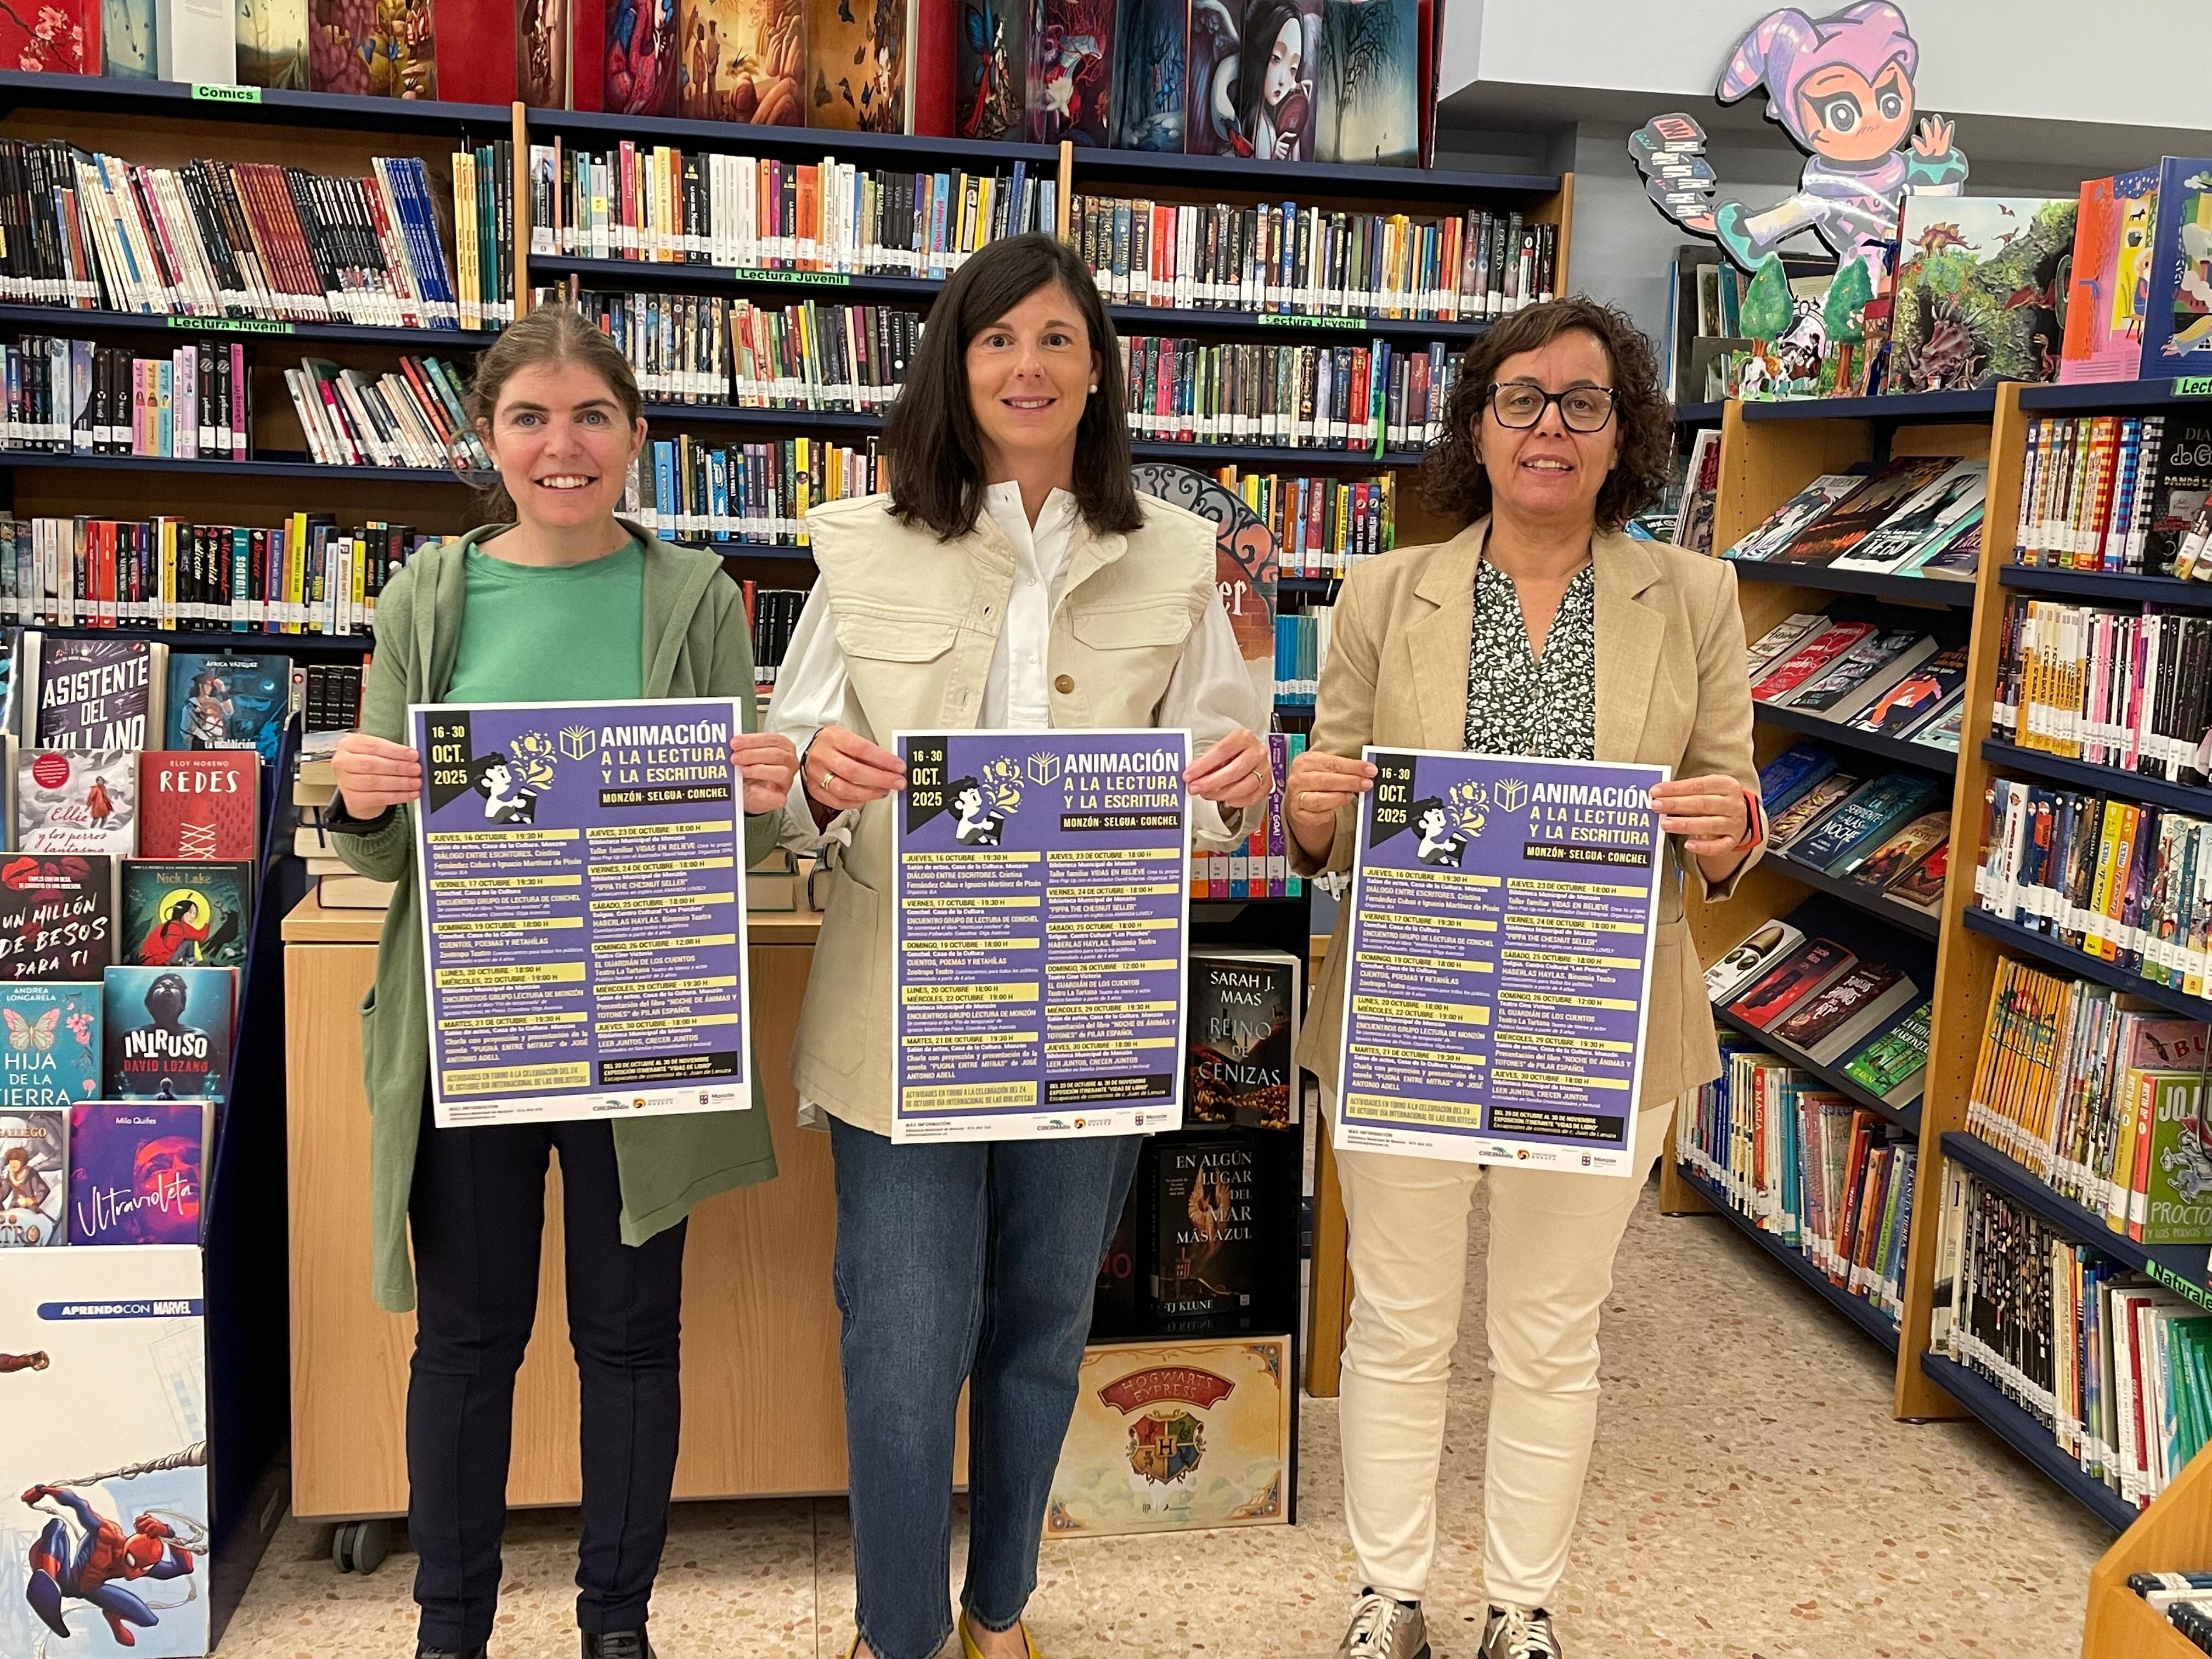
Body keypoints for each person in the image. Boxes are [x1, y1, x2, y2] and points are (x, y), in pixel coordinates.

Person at [765, 230, 1272, 1659]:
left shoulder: (1179, 557)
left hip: (1092, 999)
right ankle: (897, 1633)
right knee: (906, 1327)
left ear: (1099, 367)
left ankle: (1001, 1611)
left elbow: (1219, 760)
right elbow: (808, 741)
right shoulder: (863, 544)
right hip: (902, 1003)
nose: (1027, 366)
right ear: (956, 365)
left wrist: (1229, 789)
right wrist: (816, 777)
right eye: (998, 340)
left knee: (1046, 1314)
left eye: (1056, 338)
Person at [1284, 295, 1765, 1659]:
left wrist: (1734, 831)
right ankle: (1390, 1594)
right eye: (1521, 402)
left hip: (1601, 1019)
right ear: (1478, 430)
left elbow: (1728, 790)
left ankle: (1522, 1607)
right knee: (1399, 1319)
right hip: (1416, 1013)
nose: (1550, 428)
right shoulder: (1387, 590)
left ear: (1626, 439)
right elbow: (1327, 821)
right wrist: (1313, 805)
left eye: (1584, 404)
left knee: (1553, 1331)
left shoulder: (1698, 594)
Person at [324, 303, 801, 1659]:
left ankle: (615, 1627)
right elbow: (382, 847)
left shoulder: (697, 595)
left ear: (636, 435)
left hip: (646, 1014)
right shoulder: (429, 594)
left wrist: (757, 796)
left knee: (631, 1340)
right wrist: (362, 803)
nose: (563, 444)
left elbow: (734, 839)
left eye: (592, 415)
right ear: (490, 440)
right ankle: (449, 1630)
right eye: (530, 418)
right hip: (477, 1021)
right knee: (468, 1344)